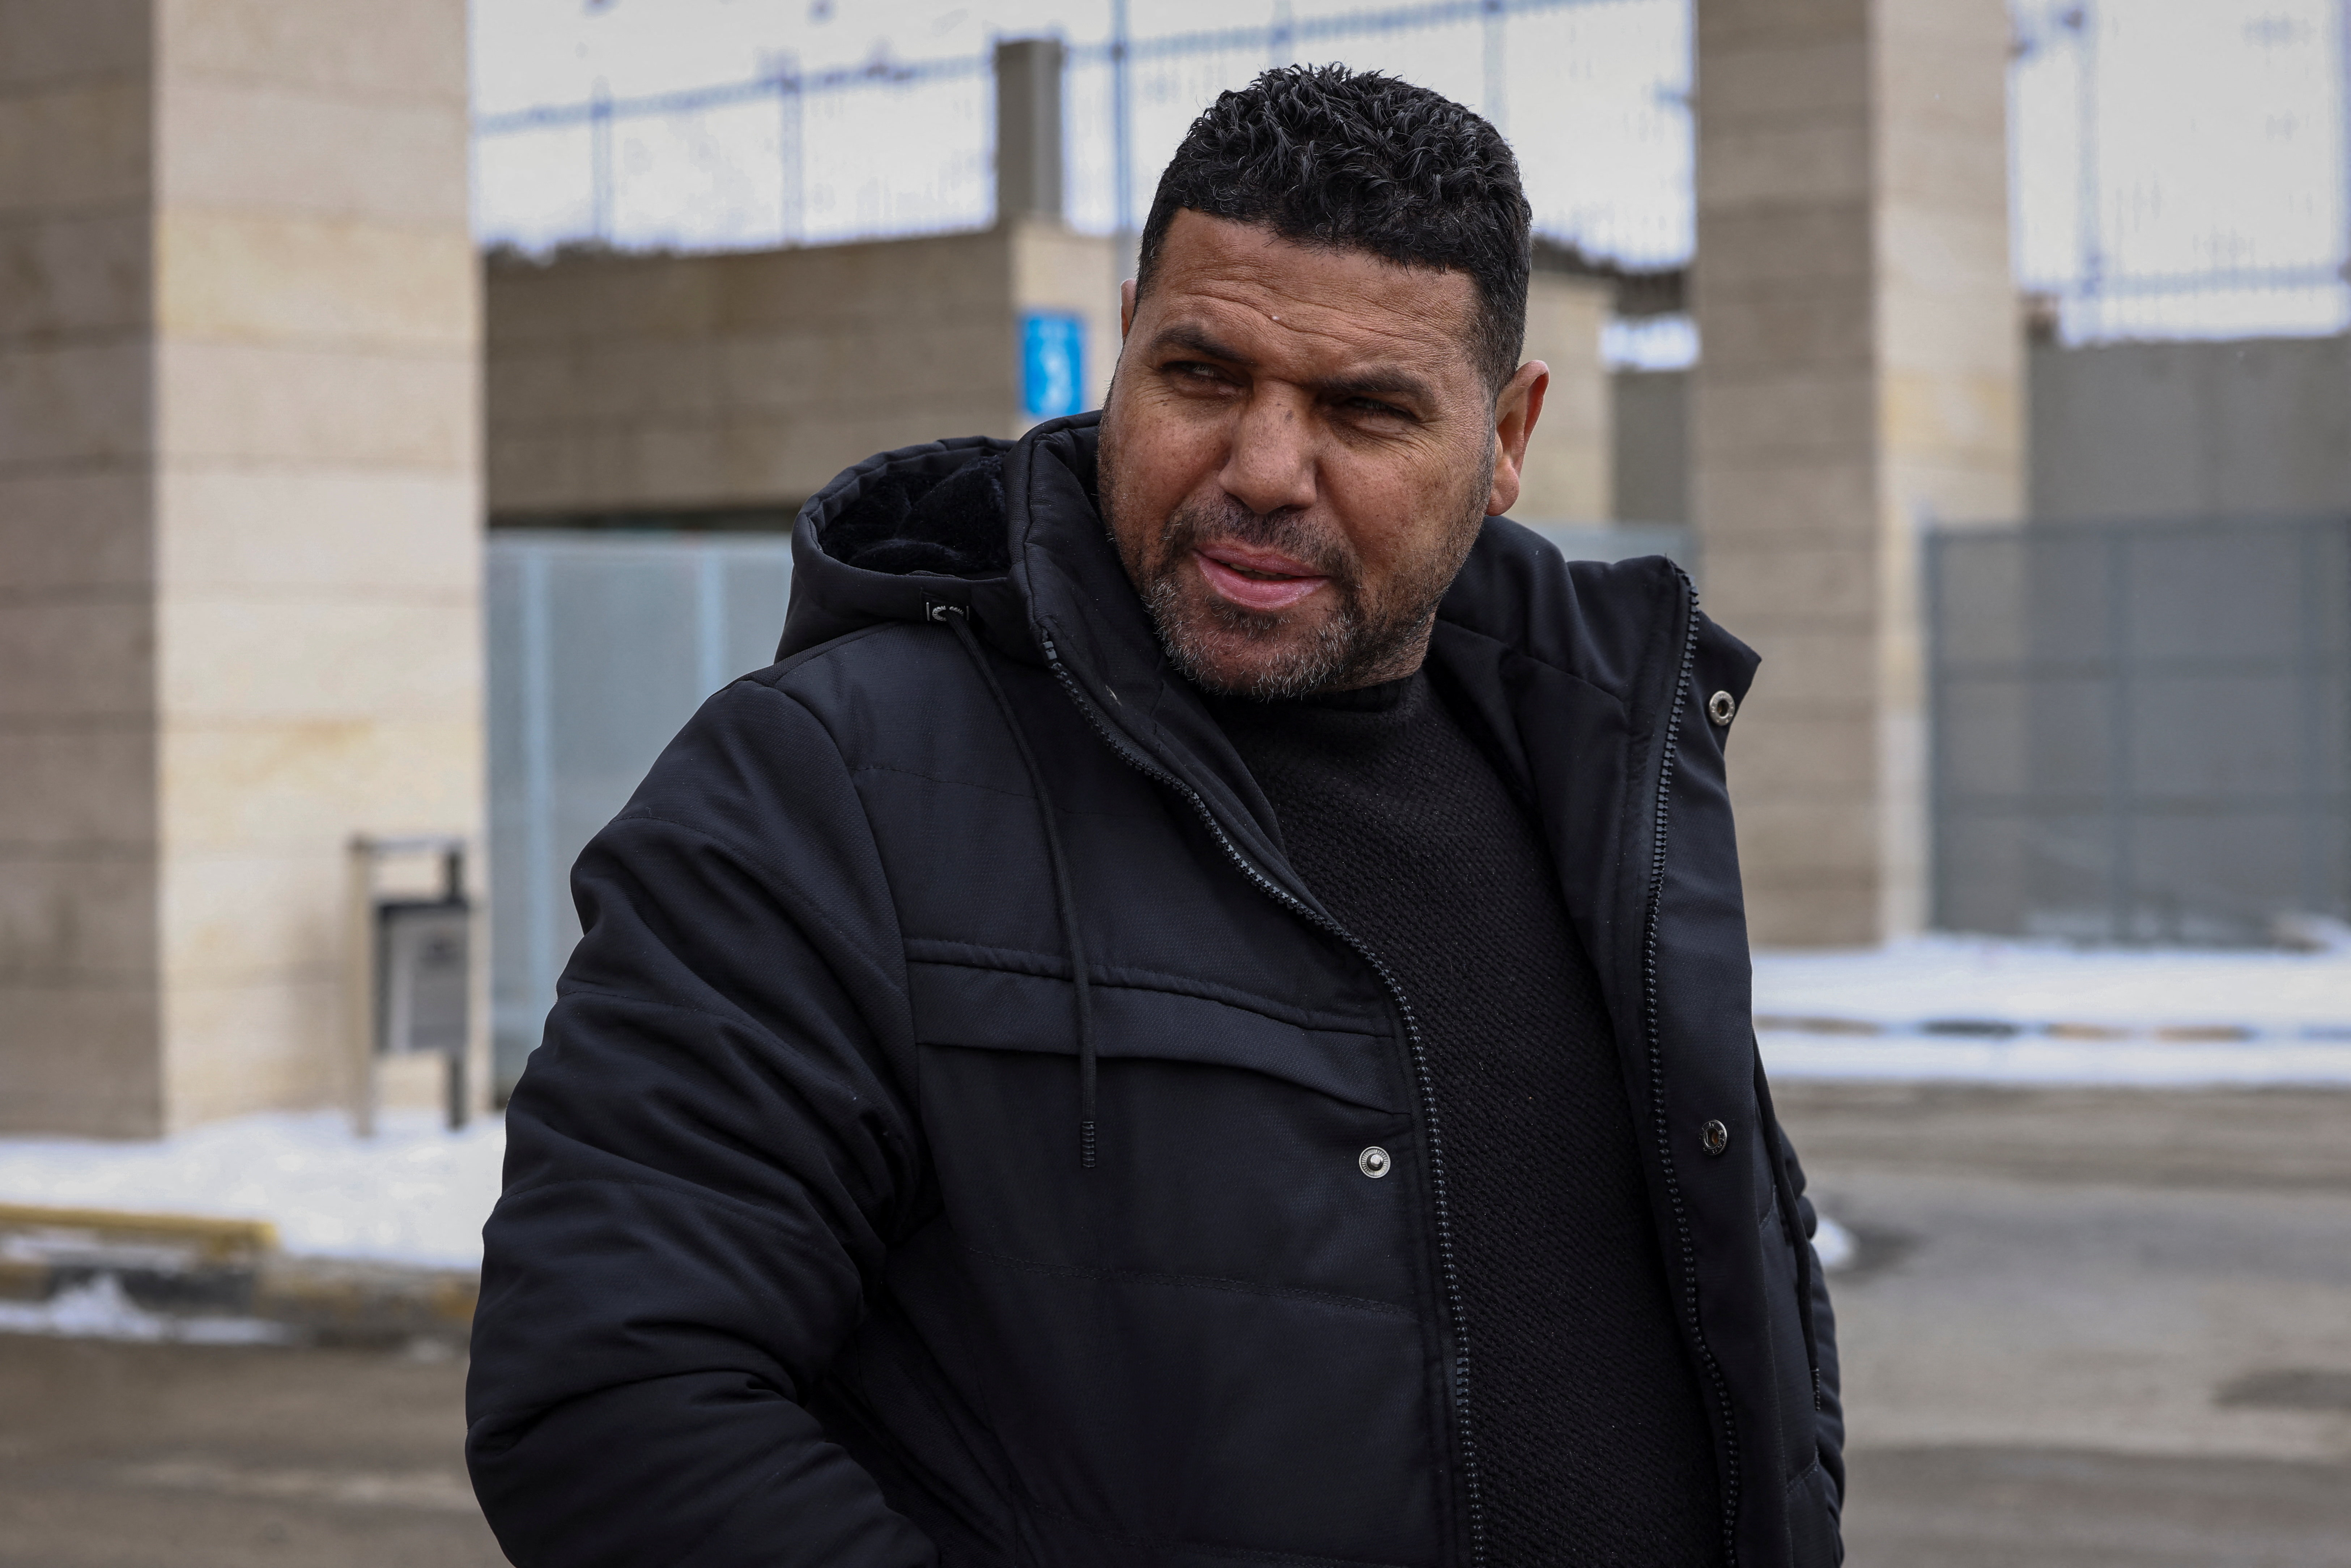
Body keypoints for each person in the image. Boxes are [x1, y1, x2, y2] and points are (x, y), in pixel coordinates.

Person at [467, 64, 1842, 1568]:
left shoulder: (1599, 765)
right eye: (1201, 375)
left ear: (1506, 437)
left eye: (1365, 411)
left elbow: (1744, 1289)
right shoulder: (826, 786)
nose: (1263, 470)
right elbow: (613, 1402)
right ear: (1123, 343)